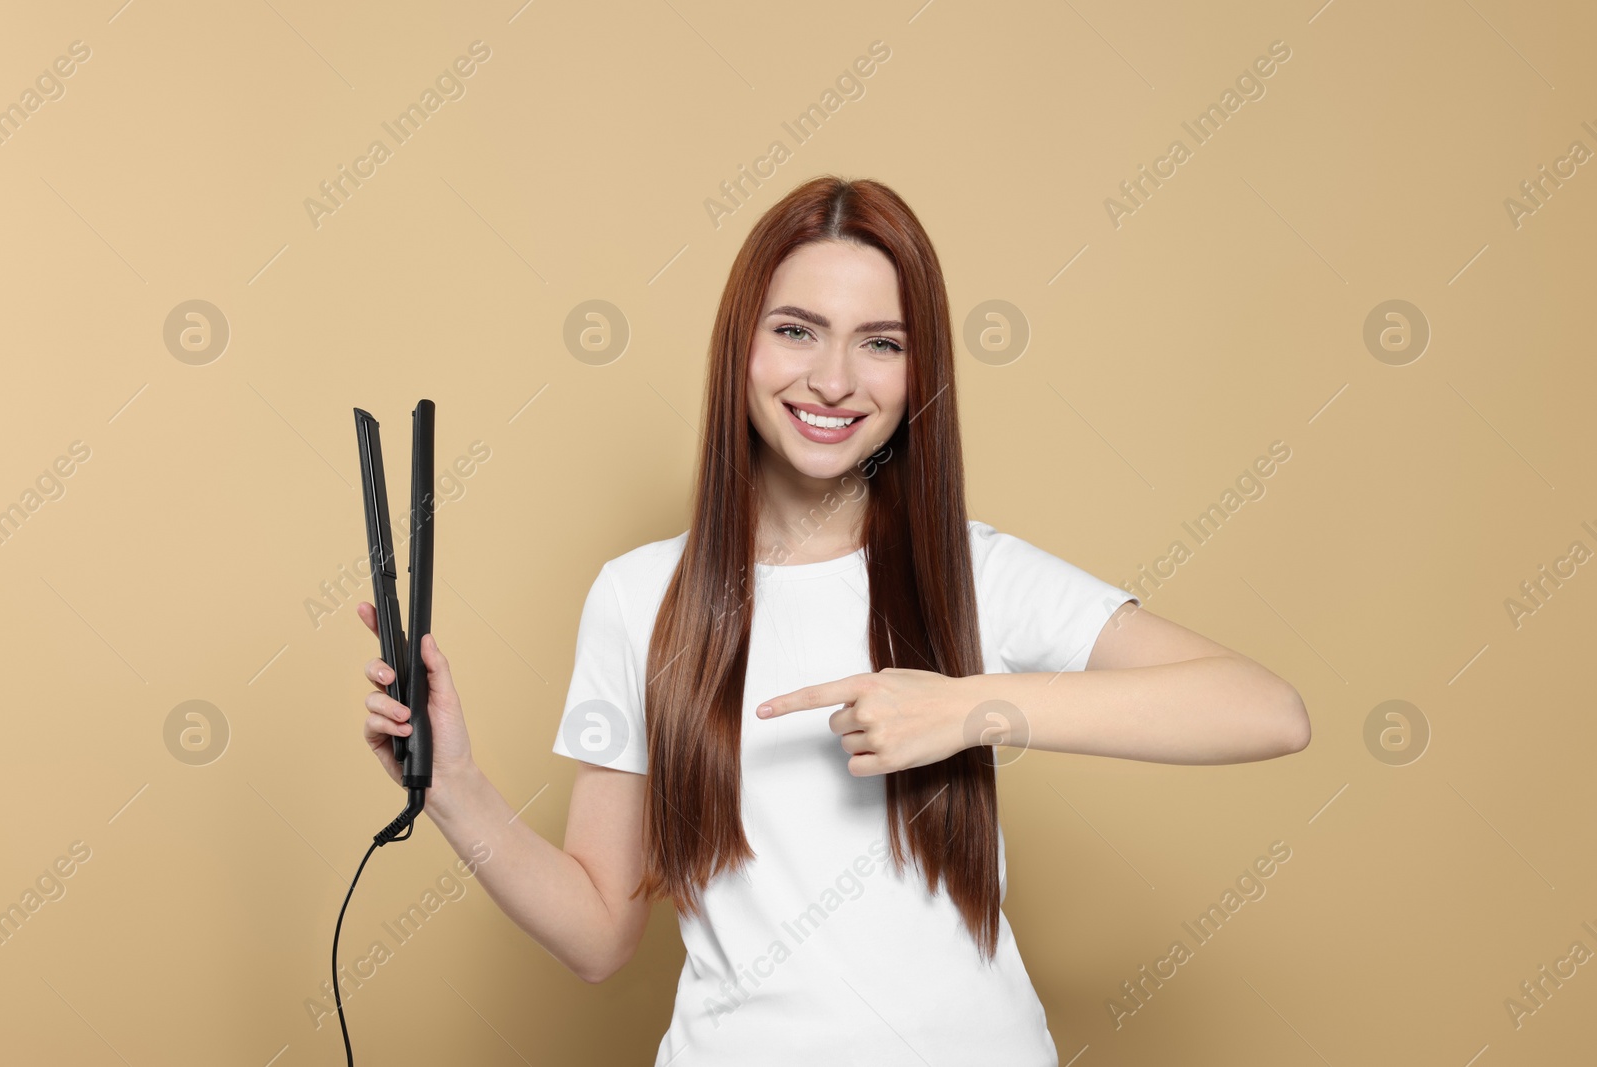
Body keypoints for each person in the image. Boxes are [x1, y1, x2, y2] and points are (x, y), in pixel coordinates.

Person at [356, 175, 1311, 1065]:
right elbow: (602, 934)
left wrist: (972, 708)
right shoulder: (638, 597)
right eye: (798, 330)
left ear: (916, 371)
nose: (835, 379)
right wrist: (456, 785)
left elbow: (1265, 710)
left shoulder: (973, 572)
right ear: (743, 344)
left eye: (882, 343)